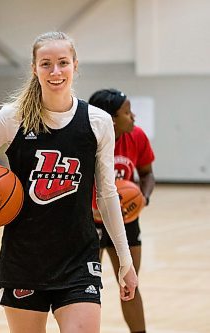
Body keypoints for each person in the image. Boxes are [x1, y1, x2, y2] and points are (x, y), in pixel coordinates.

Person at [0, 31, 138, 333]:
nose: (55, 71)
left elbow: (107, 195)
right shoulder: (13, 118)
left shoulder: (98, 122)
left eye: (63, 62)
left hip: (79, 259)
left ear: (75, 65)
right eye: (46, 63)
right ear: (34, 68)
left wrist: (125, 260)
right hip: (25, 259)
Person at [89, 89, 155, 333]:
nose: (133, 116)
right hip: (89, 222)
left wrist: (143, 198)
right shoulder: (86, 141)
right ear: (111, 119)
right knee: (85, 287)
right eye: (127, 112)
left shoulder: (136, 136)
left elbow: (147, 174)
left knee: (131, 284)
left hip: (126, 220)